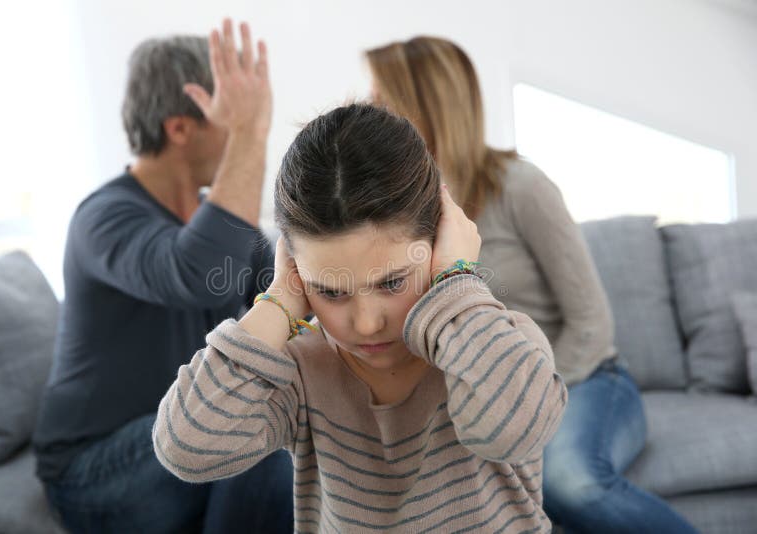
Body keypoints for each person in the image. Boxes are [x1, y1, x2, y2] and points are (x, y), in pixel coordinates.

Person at [152, 102, 568, 533]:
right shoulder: (299, 371)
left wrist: (456, 284)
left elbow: (511, 432)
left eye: (391, 283)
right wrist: (279, 300)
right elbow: (185, 447)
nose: (367, 324)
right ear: (295, 270)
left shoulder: (498, 342)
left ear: (441, 239)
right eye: (330, 291)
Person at [365, 36, 699, 533]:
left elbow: (592, 320)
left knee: (571, 481)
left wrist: (525, 400)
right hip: (478, 393)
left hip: (585, 379)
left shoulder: (521, 186)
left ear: (421, 104)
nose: (369, 109)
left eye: (379, 96)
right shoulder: (400, 213)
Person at [33, 19, 292, 533]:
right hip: (93, 469)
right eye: (231, 120)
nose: (249, 133)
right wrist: (250, 131)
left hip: (180, 436)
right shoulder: (102, 218)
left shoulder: (210, 221)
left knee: (284, 411)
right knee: (248, 428)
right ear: (180, 128)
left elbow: (284, 290)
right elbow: (193, 272)